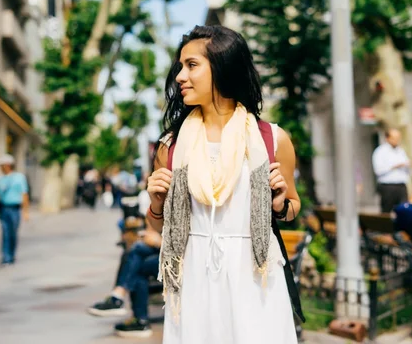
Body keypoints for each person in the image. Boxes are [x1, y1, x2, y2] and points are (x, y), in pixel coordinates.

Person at [146, 25, 303, 343]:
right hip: (194, 276)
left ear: (222, 67)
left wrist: (281, 203)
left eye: (191, 65)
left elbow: (292, 208)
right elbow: (154, 226)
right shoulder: (170, 146)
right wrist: (156, 204)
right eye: (180, 66)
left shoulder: (271, 139)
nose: (180, 76)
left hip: (256, 277)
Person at [87, 226, 161, 338]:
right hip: (170, 246)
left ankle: (123, 304)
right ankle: (121, 301)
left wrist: (159, 242)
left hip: (185, 254)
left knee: (138, 265)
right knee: (134, 251)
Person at [0, 154, 29, 265]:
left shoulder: (19, 177)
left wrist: (25, 211)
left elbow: (24, 194)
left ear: (8, 165)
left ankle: (12, 254)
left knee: (13, 233)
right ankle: (6, 257)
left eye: (2, 165)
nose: (0, 168)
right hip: (4, 209)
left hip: (15, 209)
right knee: (5, 232)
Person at [372, 128, 411, 213]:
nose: (397, 140)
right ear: (387, 138)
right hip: (388, 186)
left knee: (404, 210)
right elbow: (378, 170)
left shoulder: (401, 151)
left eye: (398, 138)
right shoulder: (380, 151)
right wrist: (395, 166)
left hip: (401, 185)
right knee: (386, 211)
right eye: (394, 138)